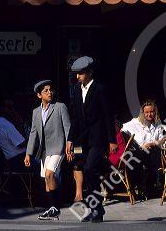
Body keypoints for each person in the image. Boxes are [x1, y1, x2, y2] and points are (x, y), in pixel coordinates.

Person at [65, 56, 117, 223]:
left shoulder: (100, 89)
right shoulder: (76, 90)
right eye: (77, 74)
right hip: (83, 139)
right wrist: (70, 139)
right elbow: (75, 118)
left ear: (89, 72)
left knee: (88, 169)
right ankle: (96, 209)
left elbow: (108, 115)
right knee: (88, 172)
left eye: (80, 73)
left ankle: (97, 207)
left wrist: (112, 140)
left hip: (98, 137)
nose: (77, 76)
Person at [25, 80, 71, 220]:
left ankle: (55, 207)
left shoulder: (59, 107)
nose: (49, 92)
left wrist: (69, 143)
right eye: (46, 91)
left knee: (49, 174)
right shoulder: (36, 112)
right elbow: (33, 133)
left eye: (51, 90)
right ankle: (51, 209)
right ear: (39, 95)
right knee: (46, 179)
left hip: (58, 147)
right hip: (44, 151)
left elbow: (68, 126)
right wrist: (28, 153)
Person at [121, 99, 164, 196]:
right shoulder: (135, 122)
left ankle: (151, 186)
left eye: (151, 112)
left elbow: (161, 140)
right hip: (138, 152)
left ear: (155, 112)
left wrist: (151, 144)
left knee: (157, 153)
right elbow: (121, 129)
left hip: (152, 151)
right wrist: (130, 143)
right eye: (147, 112)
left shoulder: (157, 122)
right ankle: (144, 187)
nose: (149, 114)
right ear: (143, 113)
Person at [0, 100, 27, 172]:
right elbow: (22, 144)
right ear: (3, 109)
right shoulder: (4, 123)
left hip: (12, 160)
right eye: (10, 108)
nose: (13, 110)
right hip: (19, 160)